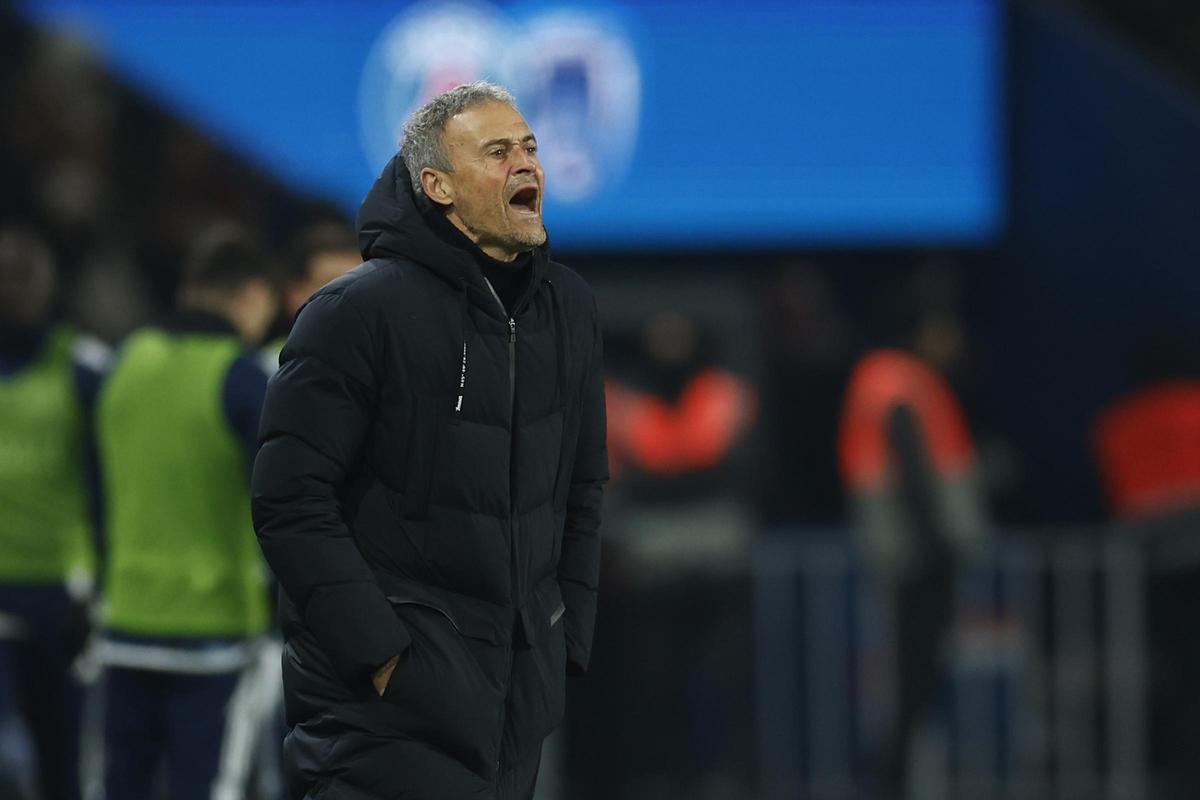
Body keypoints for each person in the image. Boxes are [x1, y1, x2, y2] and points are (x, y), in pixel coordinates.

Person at [252, 81, 608, 799]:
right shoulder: (354, 311)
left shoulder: (566, 308)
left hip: (513, 710)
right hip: (381, 718)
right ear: (438, 186)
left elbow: (583, 485)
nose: (526, 164)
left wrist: (562, 639)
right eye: (497, 152)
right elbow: (289, 500)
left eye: (530, 148)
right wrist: (381, 655)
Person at [95, 224, 280, 800]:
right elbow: (282, 503)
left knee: (120, 785)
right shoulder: (243, 378)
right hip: (214, 633)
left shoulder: (124, 363)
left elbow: (93, 483)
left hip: (125, 619)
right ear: (252, 295)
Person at [0, 224, 108, 800]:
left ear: (49, 285)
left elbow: (111, 485)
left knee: (62, 755)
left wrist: (101, 585)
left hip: (59, 597)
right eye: (3, 276)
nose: (12, 289)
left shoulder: (85, 369)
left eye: (24, 276)